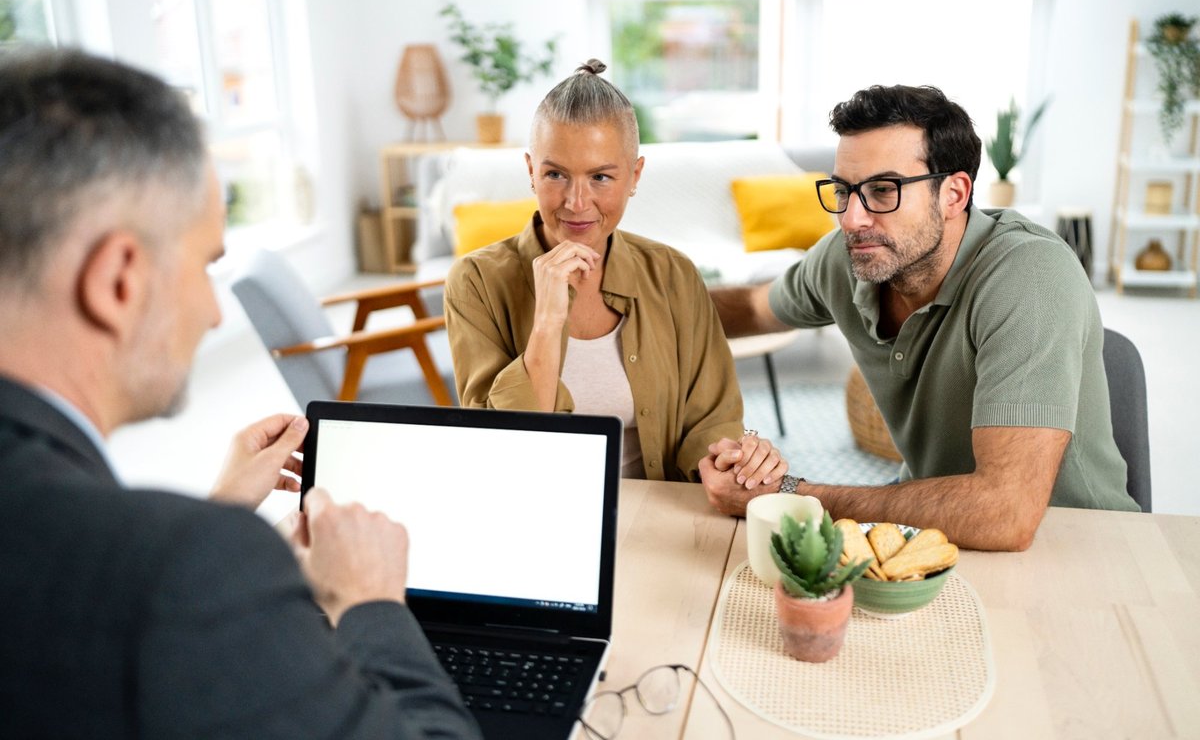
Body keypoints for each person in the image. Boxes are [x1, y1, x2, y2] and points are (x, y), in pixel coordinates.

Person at [0, 47, 480, 738]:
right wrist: (373, 602)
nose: (215, 312)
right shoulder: (198, 569)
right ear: (118, 282)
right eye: (205, 264)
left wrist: (216, 509)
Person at [704, 84, 1138, 552]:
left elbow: (1005, 514)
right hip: (931, 537)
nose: (852, 219)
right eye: (843, 191)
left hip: (1080, 547)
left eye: (882, 190)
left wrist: (793, 494)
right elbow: (752, 307)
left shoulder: (1030, 275)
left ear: (954, 194)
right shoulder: (847, 259)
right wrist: (640, 299)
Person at [443, 59, 787, 485]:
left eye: (601, 177)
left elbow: (711, 420)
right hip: (538, 512)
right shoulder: (475, 282)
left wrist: (727, 461)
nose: (577, 201)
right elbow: (498, 449)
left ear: (634, 175)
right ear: (531, 171)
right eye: (556, 174)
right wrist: (548, 322)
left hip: (664, 512)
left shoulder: (673, 274)